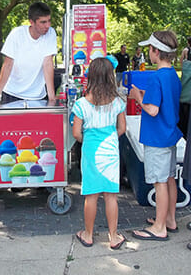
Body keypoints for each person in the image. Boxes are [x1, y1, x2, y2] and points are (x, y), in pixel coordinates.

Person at [130, 31, 182, 242]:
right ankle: (169, 220)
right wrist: (145, 96)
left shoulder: (156, 77)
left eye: (150, 49)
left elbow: (152, 110)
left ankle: (159, 228)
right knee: (169, 179)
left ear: (156, 52)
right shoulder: (172, 75)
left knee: (159, 182)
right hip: (170, 134)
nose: (147, 52)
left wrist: (137, 98)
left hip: (156, 137)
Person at [72, 57, 126, 249]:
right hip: (110, 149)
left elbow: (76, 133)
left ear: (91, 77)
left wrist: (88, 140)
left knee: (91, 195)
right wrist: (109, 138)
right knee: (111, 195)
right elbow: (122, 129)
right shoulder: (118, 102)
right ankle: (113, 236)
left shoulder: (81, 104)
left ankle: (88, 234)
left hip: (90, 150)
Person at [0, 2, 57, 106]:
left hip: (37, 96)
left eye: (49, 21)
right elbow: (7, 65)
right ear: (32, 22)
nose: (48, 26)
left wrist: (52, 97)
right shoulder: (17, 34)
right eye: (43, 22)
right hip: (12, 94)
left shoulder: (51, 33)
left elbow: (48, 64)